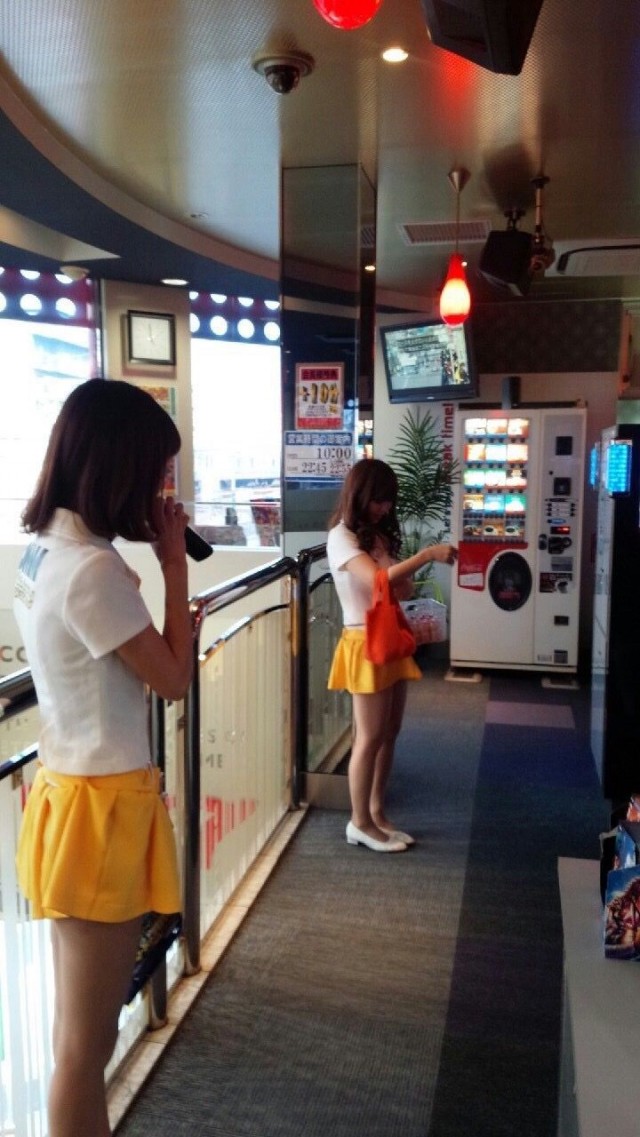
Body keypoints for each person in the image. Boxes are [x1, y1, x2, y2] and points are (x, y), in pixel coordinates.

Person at [13, 378, 193, 1137]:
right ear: (119, 466)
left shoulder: (46, 551)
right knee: (84, 1051)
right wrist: (175, 566)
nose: (160, 490)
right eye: (156, 471)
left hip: (70, 795)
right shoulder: (93, 571)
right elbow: (174, 680)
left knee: (74, 1039)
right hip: (103, 808)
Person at [326, 457, 457, 853]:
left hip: (388, 636)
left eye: (388, 502)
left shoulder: (375, 537)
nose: (384, 508)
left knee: (389, 732)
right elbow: (378, 580)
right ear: (360, 495)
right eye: (379, 500)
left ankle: (377, 813)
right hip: (363, 640)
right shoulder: (341, 537)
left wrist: (404, 577)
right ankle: (360, 822)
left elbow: (397, 587)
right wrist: (427, 555)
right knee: (368, 737)